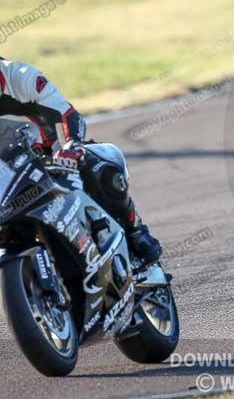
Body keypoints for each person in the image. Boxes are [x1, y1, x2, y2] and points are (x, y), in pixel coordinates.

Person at [0, 58, 162, 262]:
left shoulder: (20, 76)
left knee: (101, 164)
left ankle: (135, 232)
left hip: (52, 164)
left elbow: (65, 113)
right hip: (6, 184)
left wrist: (71, 147)